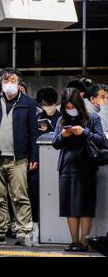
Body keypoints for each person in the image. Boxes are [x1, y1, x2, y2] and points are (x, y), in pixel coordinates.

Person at [52, 87, 106, 252]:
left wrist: (85, 132)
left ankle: (84, 242)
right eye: (67, 107)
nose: (70, 110)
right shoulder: (62, 120)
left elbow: (102, 140)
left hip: (87, 167)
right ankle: (74, 241)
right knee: (69, 207)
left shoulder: (93, 118)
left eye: (72, 106)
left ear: (79, 104)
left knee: (85, 207)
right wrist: (63, 136)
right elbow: (55, 143)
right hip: (66, 168)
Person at [0, 68, 38, 246]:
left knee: (20, 196)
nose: (9, 84)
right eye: (5, 80)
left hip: (19, 158)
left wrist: (34, 156)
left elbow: (34, 133)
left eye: (12, 80)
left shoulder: (28, 103)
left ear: (19, 83)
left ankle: (24, 231)